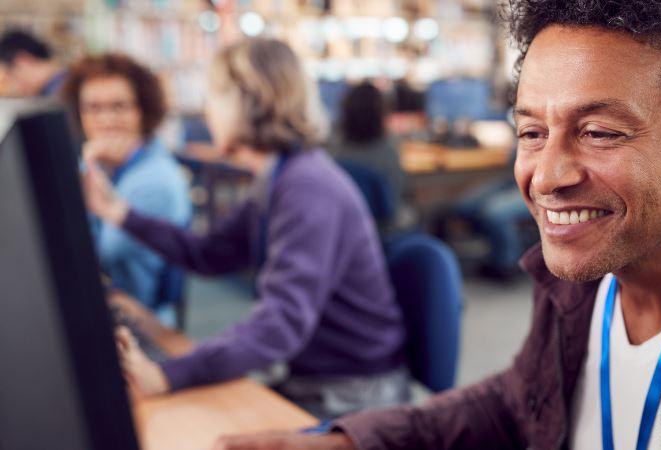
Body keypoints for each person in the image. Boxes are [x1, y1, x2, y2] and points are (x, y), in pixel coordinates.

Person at [213, 1, 661, 449]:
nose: (546, 176)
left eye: (599, 132)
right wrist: (347, 442)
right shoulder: (583, 270)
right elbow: (519, 403)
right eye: (532, 130)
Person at [82, 38, 408, 420]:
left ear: (248, 100)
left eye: (214, 97)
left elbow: (280, 326)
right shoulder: (279, 177)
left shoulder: (307, 188)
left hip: (353, 394)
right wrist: (118, 212)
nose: (207, 111)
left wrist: (166, 374)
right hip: (316, 377)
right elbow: (207, 254)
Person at [61, 53, 191, 315]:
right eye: (94, 108)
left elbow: (95, 257)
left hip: (144, 323)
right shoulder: (103, 164)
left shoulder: (156, 178)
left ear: (143, 110)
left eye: (119, 106)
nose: (106, 120)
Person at [329, 81, 407, 231]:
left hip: (346, 230)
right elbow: (398, 193)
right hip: (385, 230)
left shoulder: (333, 153)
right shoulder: (388, 152)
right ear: (381, 114)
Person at [0, 30, 67, 97]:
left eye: (11, 77)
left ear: (22, 61)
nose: (15, 87)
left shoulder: (59, 91)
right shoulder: (61, 83)